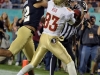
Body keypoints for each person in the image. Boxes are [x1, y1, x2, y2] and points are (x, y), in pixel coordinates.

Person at [17, 0, 87, 75]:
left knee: (33, 64)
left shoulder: (50, 3)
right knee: (70, 62)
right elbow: (74, 23)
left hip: (43, 37)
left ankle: (18, 74)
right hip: (52, 39)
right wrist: (80, 13)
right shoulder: (66, 12)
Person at [0, 0, 47, 75]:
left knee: (32, 62)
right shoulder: (38, 3)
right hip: (26, 31)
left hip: (28, 32)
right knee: (9, 53)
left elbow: (34, 15)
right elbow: (48, 4)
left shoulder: (28, 3)